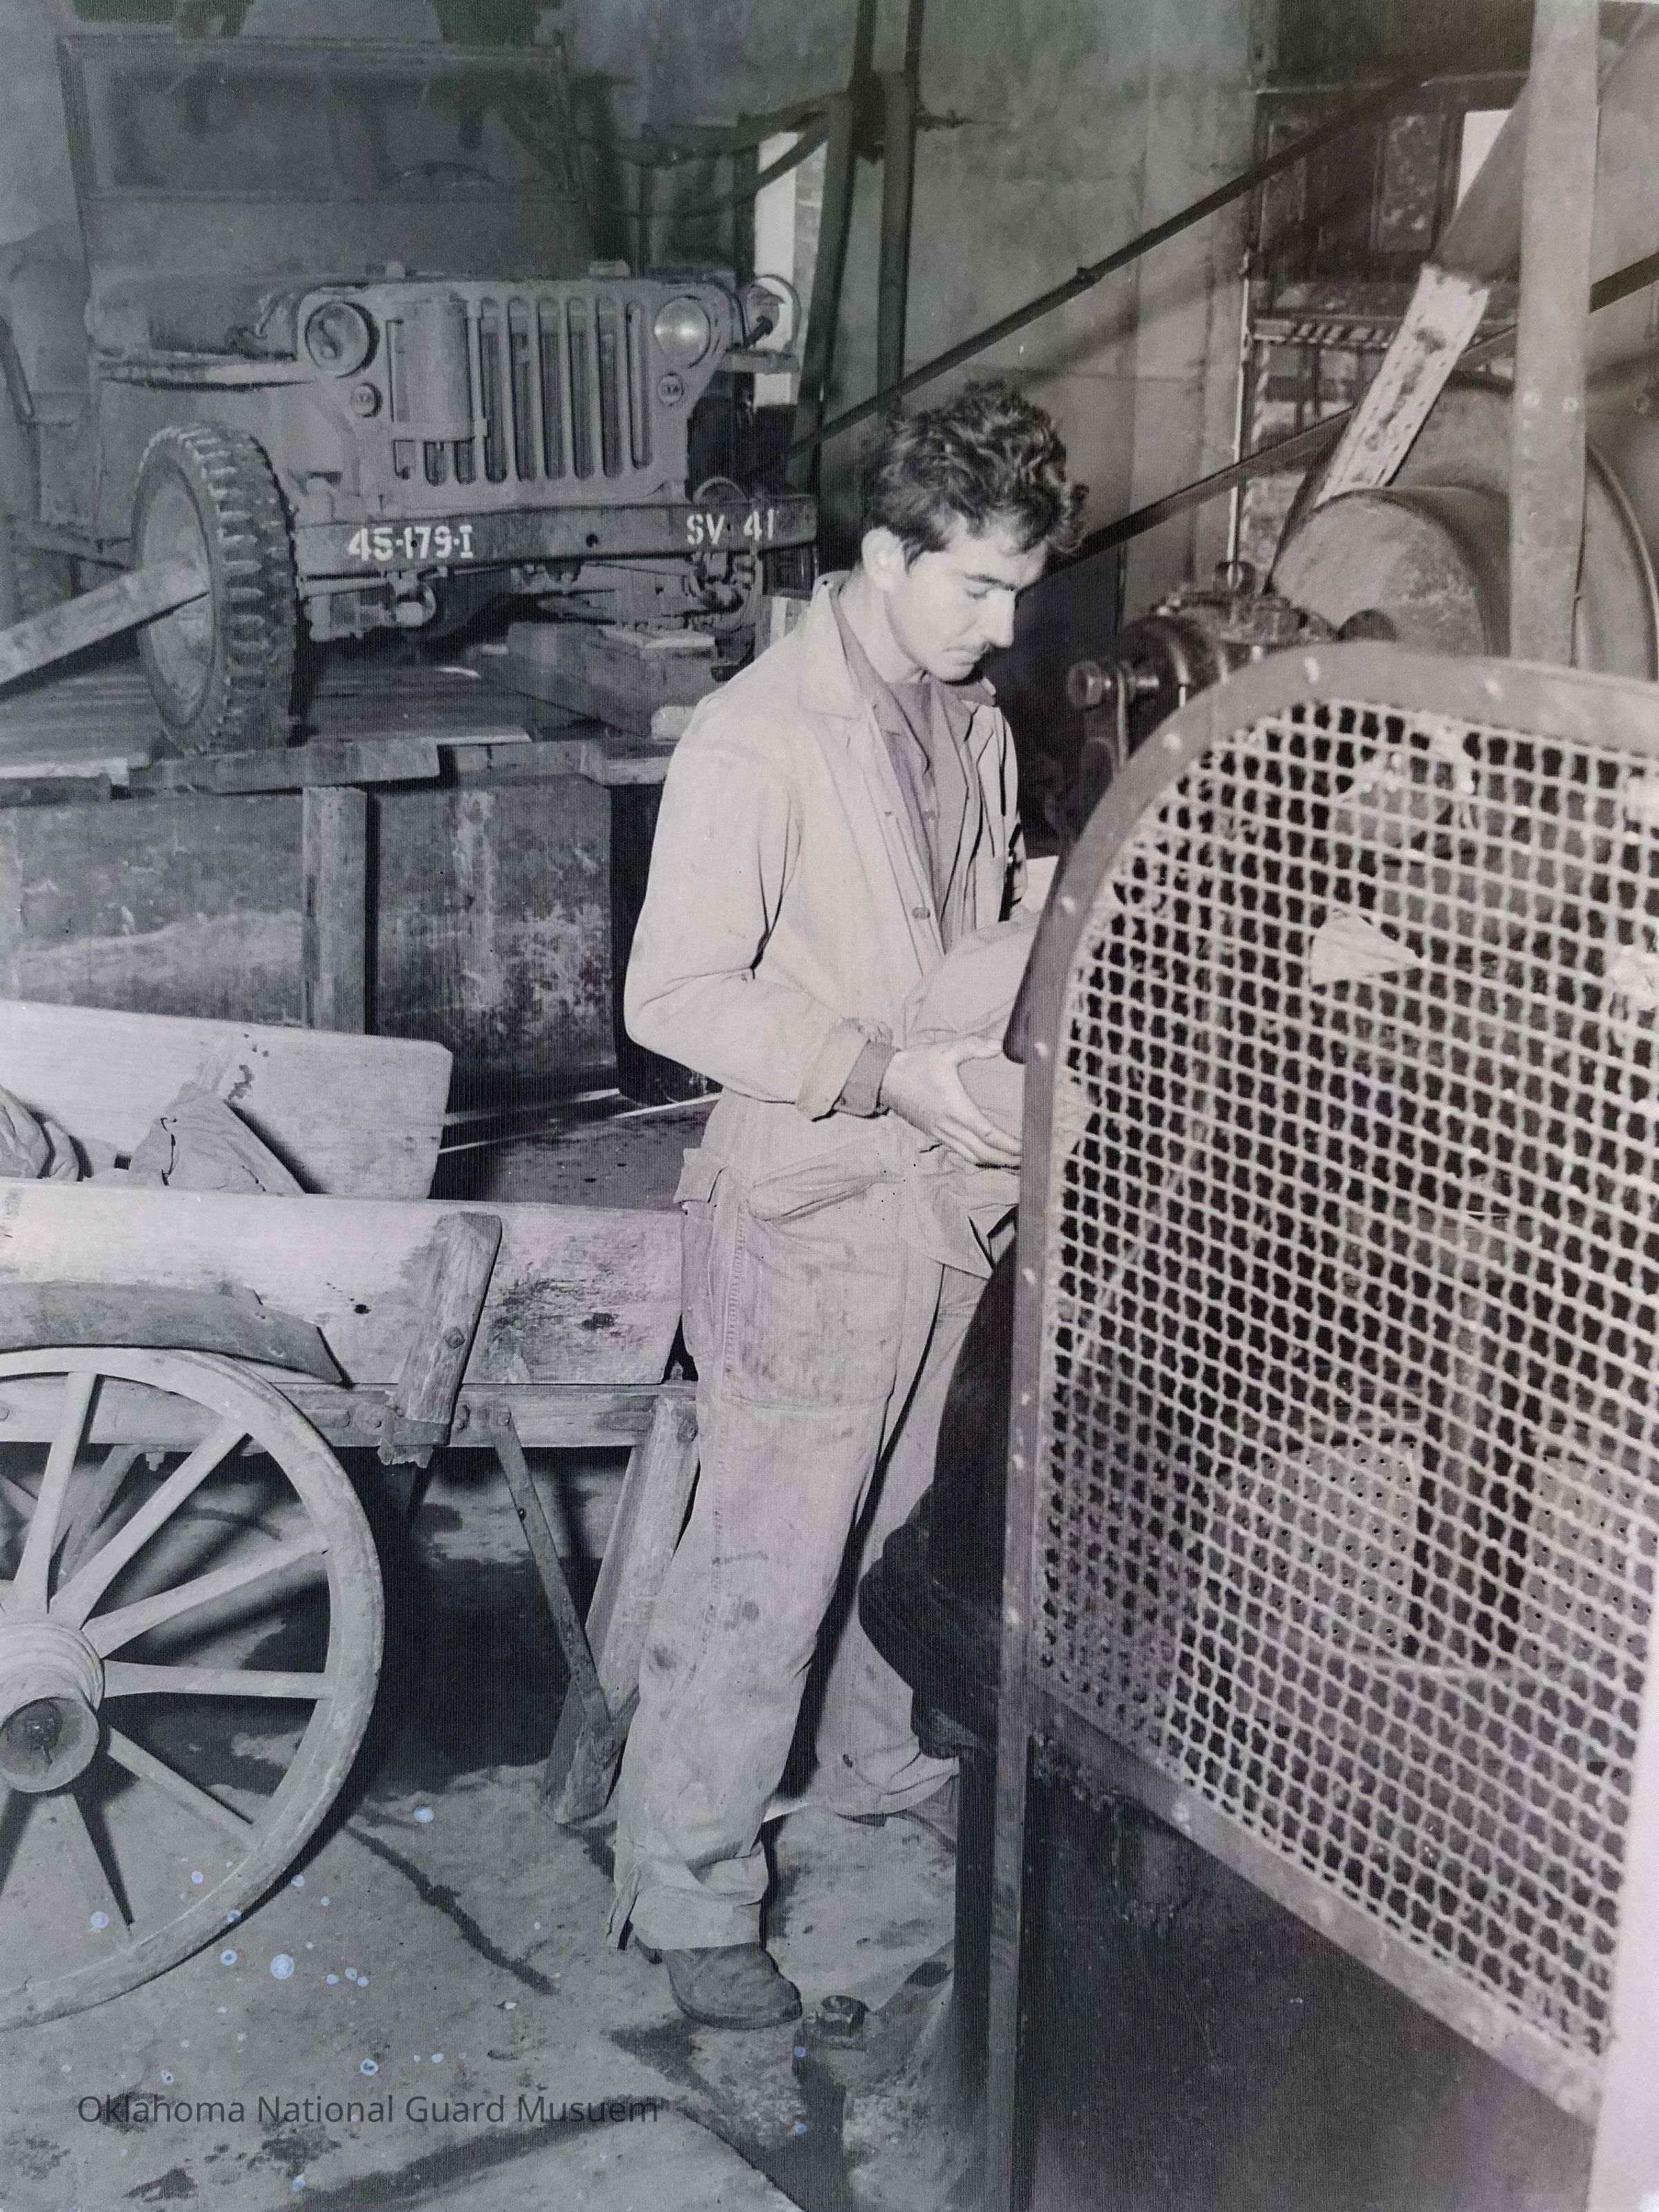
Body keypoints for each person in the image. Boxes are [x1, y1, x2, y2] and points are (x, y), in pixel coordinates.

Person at [609, 379, 1085, 2028]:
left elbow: (959, 926)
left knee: (904, 1529)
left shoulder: (972, 719)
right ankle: (689, 1889)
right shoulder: (759, 737)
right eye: (978, 586)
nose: (1003, 625)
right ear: (886, 556)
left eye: (1020, 588)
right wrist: (882, 1072)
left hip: (944, 1201)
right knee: (768, 1563)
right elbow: (672, 994)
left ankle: (877, 1770)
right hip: (811, 1210)